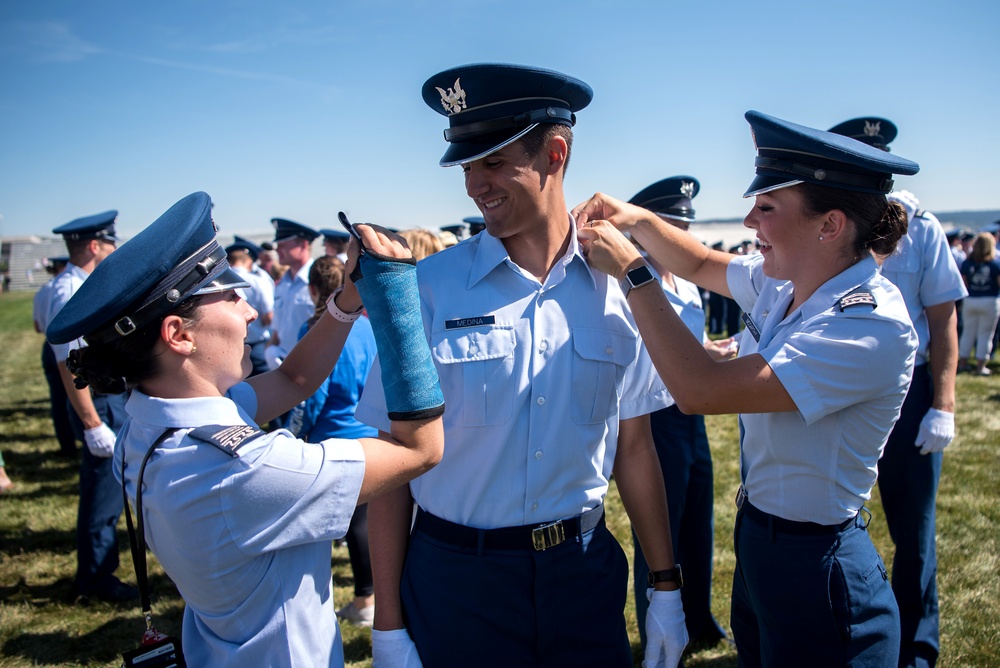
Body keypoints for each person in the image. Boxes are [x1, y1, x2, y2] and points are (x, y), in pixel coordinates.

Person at [356, 63, 686, 668]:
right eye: (466, 166)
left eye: (492, 162)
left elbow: (635, 448)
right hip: (458, 581)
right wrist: (388, 626)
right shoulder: (429, 290)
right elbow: (392, 461)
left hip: (582, 577)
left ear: (554, 153)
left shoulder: (619, 287)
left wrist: (664, 584)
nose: (474, 185)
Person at [574, 110, 921, 666]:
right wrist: (635, 216)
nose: (749, 220)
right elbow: (701, 261)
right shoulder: (786, 285)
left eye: (766, 208)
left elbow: (701, 391)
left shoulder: (868, 324)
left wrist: (636, 273)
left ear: (829, 225)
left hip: (820, 564)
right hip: (763, 542)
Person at [46, 191, 445, 667]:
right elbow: (418, 449)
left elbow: (292, 378)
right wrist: (396, 296)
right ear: (179, 335)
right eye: (231, 296)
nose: (250, 311)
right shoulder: (243, 470)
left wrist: (346, 300)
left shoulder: (150, 427)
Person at [831, 117, 967, 668]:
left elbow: (944, 318)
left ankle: (917, 646)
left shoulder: (921, 226)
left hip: (908, 392)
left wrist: (944, 403)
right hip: (840, 384)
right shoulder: (834, 220)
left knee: (914, 530)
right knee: (832, 521)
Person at [626, 176, 733, 651]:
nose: (681, 235)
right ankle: (659, 629)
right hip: (654, 414)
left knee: (697, 522)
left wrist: (710, 351)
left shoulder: (683, 279)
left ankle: (699, 619)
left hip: (691, 413)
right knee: (659, 529)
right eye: (672, 225)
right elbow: (637, 353)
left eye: (684, 226)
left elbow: (682, 345)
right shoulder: (630, 277)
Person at [45, 210, 135, 604]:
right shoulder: (70, 291)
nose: (114, 251)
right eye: (110, 243)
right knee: (102, 495)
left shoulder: (80, 285)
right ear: (95, 245)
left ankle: (97, 573)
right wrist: (92, 422)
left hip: (105, 400)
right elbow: (68, 365)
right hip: (96, 404)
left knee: (108, 491)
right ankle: (95, 579)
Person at [287, 255, 379, 627]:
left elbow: (311, 394)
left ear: (313, 290)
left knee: (322, 530)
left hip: (330, 441)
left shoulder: (315, 331)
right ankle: (367, 598)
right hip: (369, 436)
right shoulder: (370, 327)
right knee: (366, 523)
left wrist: (295, 434)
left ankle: (325, 604)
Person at [33, 255, 77, 457]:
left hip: (48, 347)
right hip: (66, 347)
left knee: (58, 399)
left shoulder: (43, 290)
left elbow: (38, 326)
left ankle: (66, 446)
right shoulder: (68, 287)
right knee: (75, 394)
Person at [267, 218, 319, 370]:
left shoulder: (319, 279)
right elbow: (278, 327)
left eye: (283, 245)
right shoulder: (283, 282)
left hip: (310, 366)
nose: (277, 250)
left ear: (303, 245)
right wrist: (269, 352)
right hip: (283, 364)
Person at [226, 237, 274, 376]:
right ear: (249, 261)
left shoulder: (221, 282)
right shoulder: (259, 280)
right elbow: (268, 317)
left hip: (231, 346)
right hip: (258, 345)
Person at [958, 232, 1000, 375]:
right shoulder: (995, 263)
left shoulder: (967, 262)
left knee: (967, 332)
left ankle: (963, 363)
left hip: (970, 299)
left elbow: (964, 283)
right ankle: (980, 366)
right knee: (986, 334)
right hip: (989, 299)